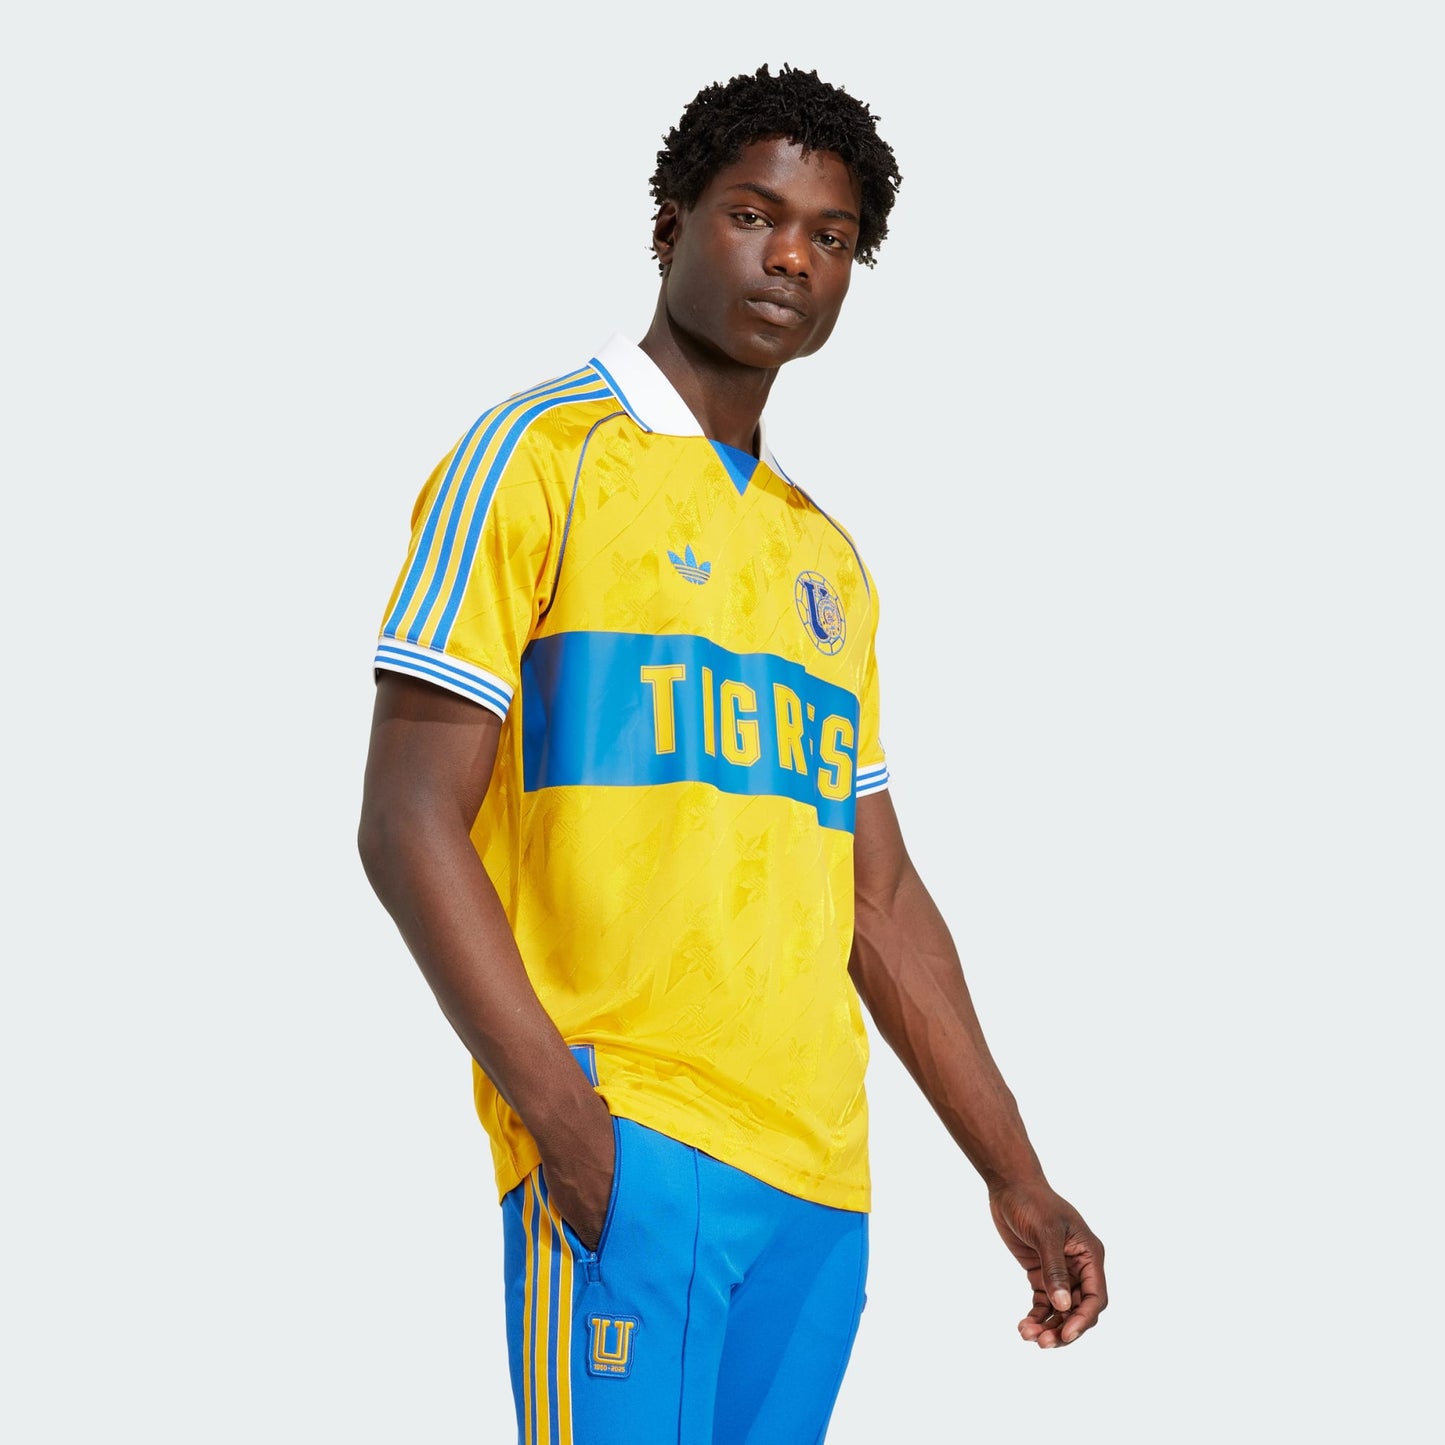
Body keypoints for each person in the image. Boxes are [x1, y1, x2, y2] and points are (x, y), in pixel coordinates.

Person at [358, 61, 1107, 1445]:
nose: (792, 258)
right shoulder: (537, 457)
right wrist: (567, 1126)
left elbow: (879, 899)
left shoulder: (826, 555)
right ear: (671, 224)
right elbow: (406, 819)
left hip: (817, 1187)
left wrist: (1015, 1173)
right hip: (633, 1143)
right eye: (754, 214)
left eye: (832, 236)